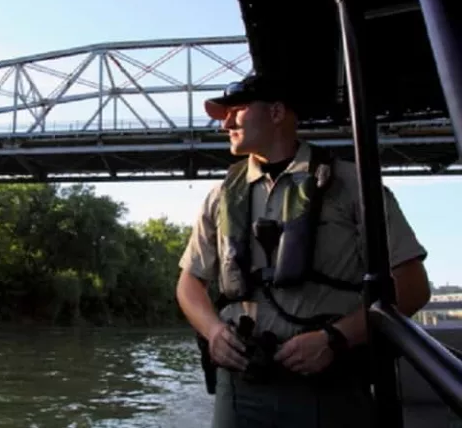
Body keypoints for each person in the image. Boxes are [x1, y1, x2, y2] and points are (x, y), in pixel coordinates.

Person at [176, 74, 431, 428]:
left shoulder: (352, 184)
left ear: (276, 112)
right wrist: (214, 331)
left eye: (237, 110)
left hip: (331, 388)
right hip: (240, 387)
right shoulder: (221, 195)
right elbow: (189, 284)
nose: (226, 124)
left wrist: (336, 338)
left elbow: (413, 285)